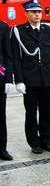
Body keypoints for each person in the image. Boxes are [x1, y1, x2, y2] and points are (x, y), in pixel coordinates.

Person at [11, 0, 50, 154]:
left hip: (46, 78)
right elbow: (16, 58)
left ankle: (46, 140)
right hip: (30, 80)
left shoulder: (49, 31)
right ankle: (34, 141)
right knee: (31, 112)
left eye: (39, 12)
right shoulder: (19, 31)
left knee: (46, 112)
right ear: (26, 13)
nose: (37, 15)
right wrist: (19, 80)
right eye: (33, 12)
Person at [0, 20, 13, 160]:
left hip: (0, 76)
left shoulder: (3, 27)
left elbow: (8, 55)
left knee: (1, 116)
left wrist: (9, 79)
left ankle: (2, 148)